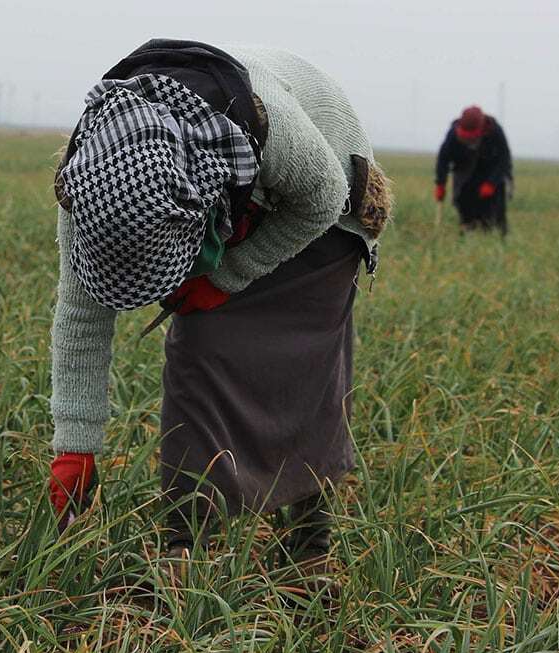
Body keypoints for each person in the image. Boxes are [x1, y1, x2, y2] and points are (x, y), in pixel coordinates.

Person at [46, 39, 392, 574]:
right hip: (243, 198)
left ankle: (309, 550)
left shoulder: (263, 128)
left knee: (307, 370)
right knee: (197, 359)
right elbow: (80, 317)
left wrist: (225, 277)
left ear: (191, 216)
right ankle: (186, 549)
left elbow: (320, 198)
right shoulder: (91, 180)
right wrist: (75, 445)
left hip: (326, 195)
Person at [433, 105, 513, 236]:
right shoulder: (453, 132)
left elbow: (504, 160)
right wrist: (440, 183)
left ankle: (497, 238)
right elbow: (443, 158)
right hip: (464, 175)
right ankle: (467, 234)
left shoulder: (495, 131)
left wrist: (492, 183)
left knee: (494, 215)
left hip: (491, 176)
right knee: (465, 208)